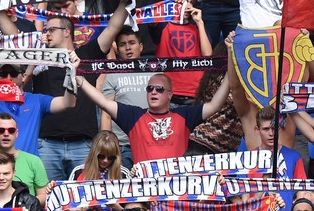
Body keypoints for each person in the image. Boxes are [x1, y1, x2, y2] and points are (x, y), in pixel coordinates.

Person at [0, 0, 137, 181]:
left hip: (83, 143)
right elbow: (13, 37)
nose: (46, 34)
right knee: (49, 200)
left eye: (51, 30)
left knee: (81, 202)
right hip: (47, 144)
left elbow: (114, 26)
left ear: (67, 32)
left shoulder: (87, 54)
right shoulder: (40, 56)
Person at [76, 70, 230, 163]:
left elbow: (214, 105)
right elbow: (103, 102)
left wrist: (230, 71)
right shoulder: (133, 115)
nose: (153, 92)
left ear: (170, 94)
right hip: (145, 190)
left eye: (159, 89)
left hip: (175, 188)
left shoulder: (185, 115)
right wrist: (78, 78)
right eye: (150, 89)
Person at [99, 27, 156, 168]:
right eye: (123, 44)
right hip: (122, 146)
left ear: (141, 46)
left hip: (151, 142)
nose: (128, 48)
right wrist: (107, 145)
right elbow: (106, 114)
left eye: (132, 43)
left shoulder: (155, 73)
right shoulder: (111, 75)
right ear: (117, 49)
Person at [0, 112, 49, 206]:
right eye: (1, 130)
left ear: (16, 133)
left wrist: (22, 206)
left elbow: (44, 195)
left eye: (11, 130)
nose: (6, 134)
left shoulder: (34, 161)